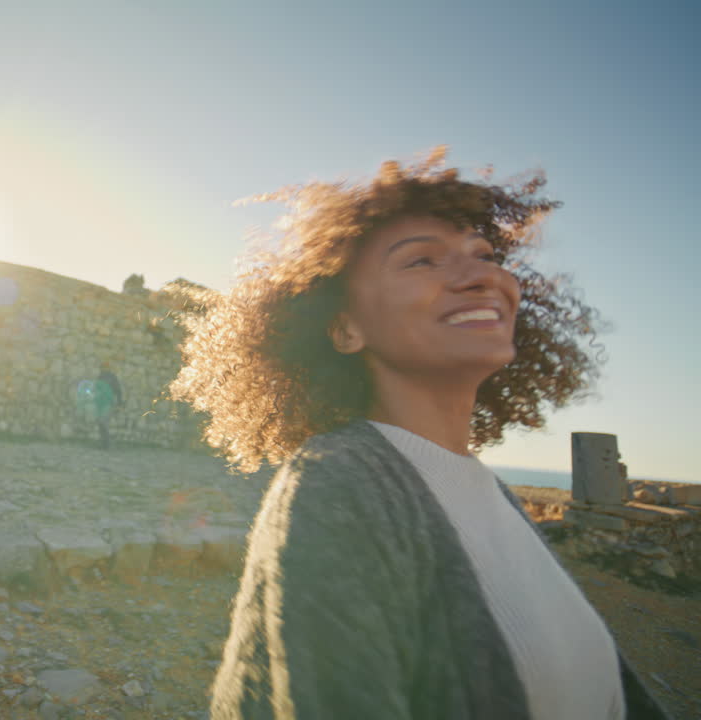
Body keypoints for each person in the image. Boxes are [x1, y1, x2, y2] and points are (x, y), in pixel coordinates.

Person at [170, 150, 669, 719]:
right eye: (421, 262)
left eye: (483, 255)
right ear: (346, 328)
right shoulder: (340, 483)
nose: (483, 275)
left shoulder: (491, 493)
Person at [94, 361, 124, 449]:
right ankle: (104, 443)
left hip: (108, 403)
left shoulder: (112, 377)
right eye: (102, 367)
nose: (103, 369)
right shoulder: (100, 377)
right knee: (100, 422)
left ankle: (106, 444)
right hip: (100, 403)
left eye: (104, 367)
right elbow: (97, 390)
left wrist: (119, 402)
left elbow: (118, 390)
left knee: (103, 422)